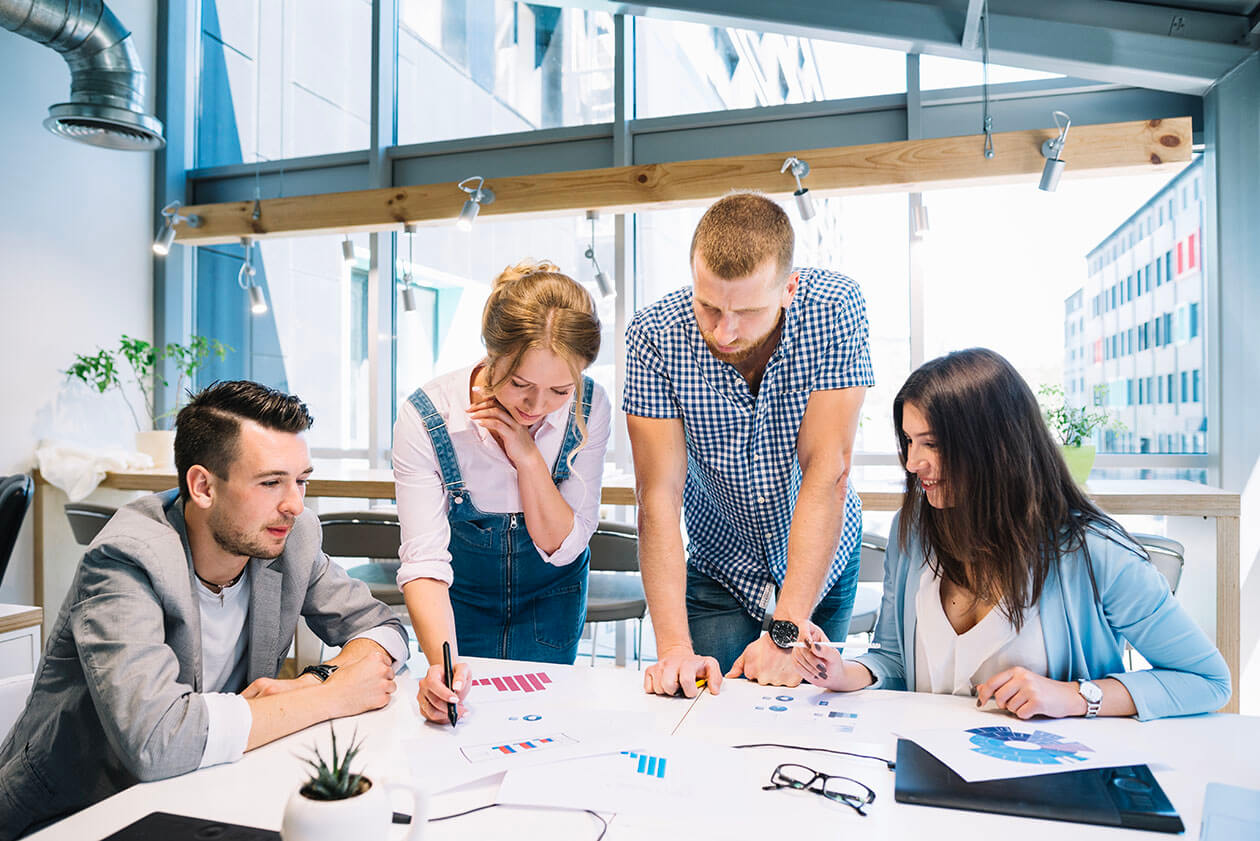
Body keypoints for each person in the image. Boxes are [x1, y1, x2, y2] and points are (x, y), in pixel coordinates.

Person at [0, 381, 408, 839]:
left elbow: (384, 628)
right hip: (77, 815)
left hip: (203, 793)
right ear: (203, 486)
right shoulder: (126, 559)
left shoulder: (291, 536)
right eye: (271, 482)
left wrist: (315, 679)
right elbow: (157, 740)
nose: (295, 503)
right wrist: (333, 696)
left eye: (302, 480)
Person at [794, 348, 1231, 720]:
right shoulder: (913, 529)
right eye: (908, 442)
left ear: (994, 448)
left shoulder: (1096, 552)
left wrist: (1077, 697)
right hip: (921, 775)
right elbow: (891, 658)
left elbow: (1207, 681)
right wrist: (842, 672)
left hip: (1046, 787)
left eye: (932, 444)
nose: (912, 463)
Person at [624, 192, 874, 698]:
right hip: (721, 567)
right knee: (701, 709)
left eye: (748, 311)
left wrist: (786, 632)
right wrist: (673, 648)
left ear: (789, 288)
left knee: (809, 716)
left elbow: (827, 469)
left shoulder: (836, 310)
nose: (724, 331)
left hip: (819, 563)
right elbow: (658, 496)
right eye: (708, 307)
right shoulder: (653, 336)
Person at [394, 260, 609, 724]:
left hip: (552, 601)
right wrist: (441, 667)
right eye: (519, 384)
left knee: (544, 728)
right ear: (491, 355)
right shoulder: (427, 417)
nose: (536, 406)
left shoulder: (592, 407)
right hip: (459, 607)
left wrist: (528, 456)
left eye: (559, 390)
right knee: (462, 728)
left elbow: (564, 545)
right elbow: (424, 562)